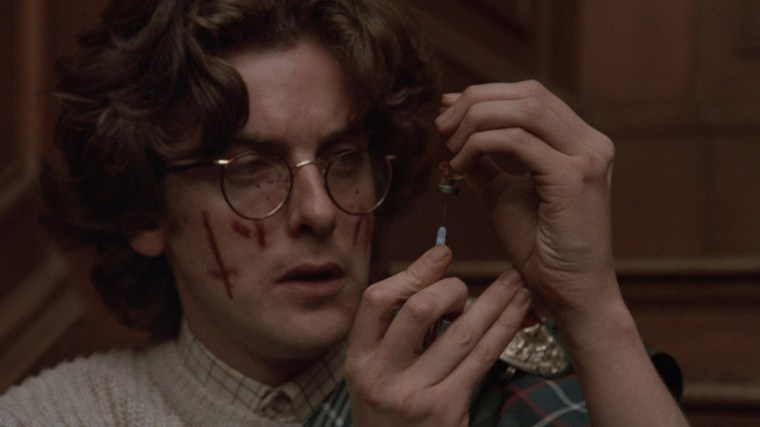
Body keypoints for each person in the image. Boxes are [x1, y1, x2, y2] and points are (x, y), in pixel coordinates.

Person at [0, 0, 689, 425]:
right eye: (251, 169)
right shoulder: (58, 416)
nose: (319, 210)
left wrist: (594, 309)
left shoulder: (490, 387)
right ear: (144, 210)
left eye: (344, 158)